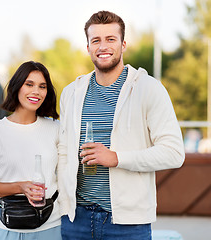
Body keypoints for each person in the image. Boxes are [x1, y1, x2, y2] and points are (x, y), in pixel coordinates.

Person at [58, 11, 185, 240]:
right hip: (75, 220)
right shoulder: (71, 93)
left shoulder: (148, 89)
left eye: (110, 39)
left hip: (127, 225)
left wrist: (116, 158)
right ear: (87, 47)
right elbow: (63, 152)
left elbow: (174, 153)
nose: (102, 46)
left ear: (123, 44)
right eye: (95, 40)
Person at [0, 61, 61, 240]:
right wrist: (19, 187)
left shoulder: (56, 128)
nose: (36, 91)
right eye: (29, 84)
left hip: (51, 228)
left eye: (42, 86)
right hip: (7, 229)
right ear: (16, 86)